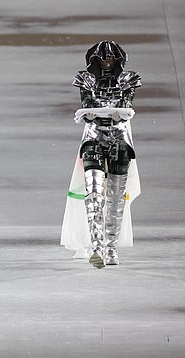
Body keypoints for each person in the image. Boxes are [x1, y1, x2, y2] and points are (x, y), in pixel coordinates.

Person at [61, 40, 142, 268]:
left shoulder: (128, 80)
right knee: (94, 194)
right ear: (95, 60)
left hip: (119, 142)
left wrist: (102, 113)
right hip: (93, 140)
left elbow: (126, 107)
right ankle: (97, 246)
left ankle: (111, 247)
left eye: (111, 59)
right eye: (103, 59)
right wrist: (93, 114)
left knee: (115, 197)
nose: (107, 63)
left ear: (118, 60)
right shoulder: (86, 80)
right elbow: (87, 105)